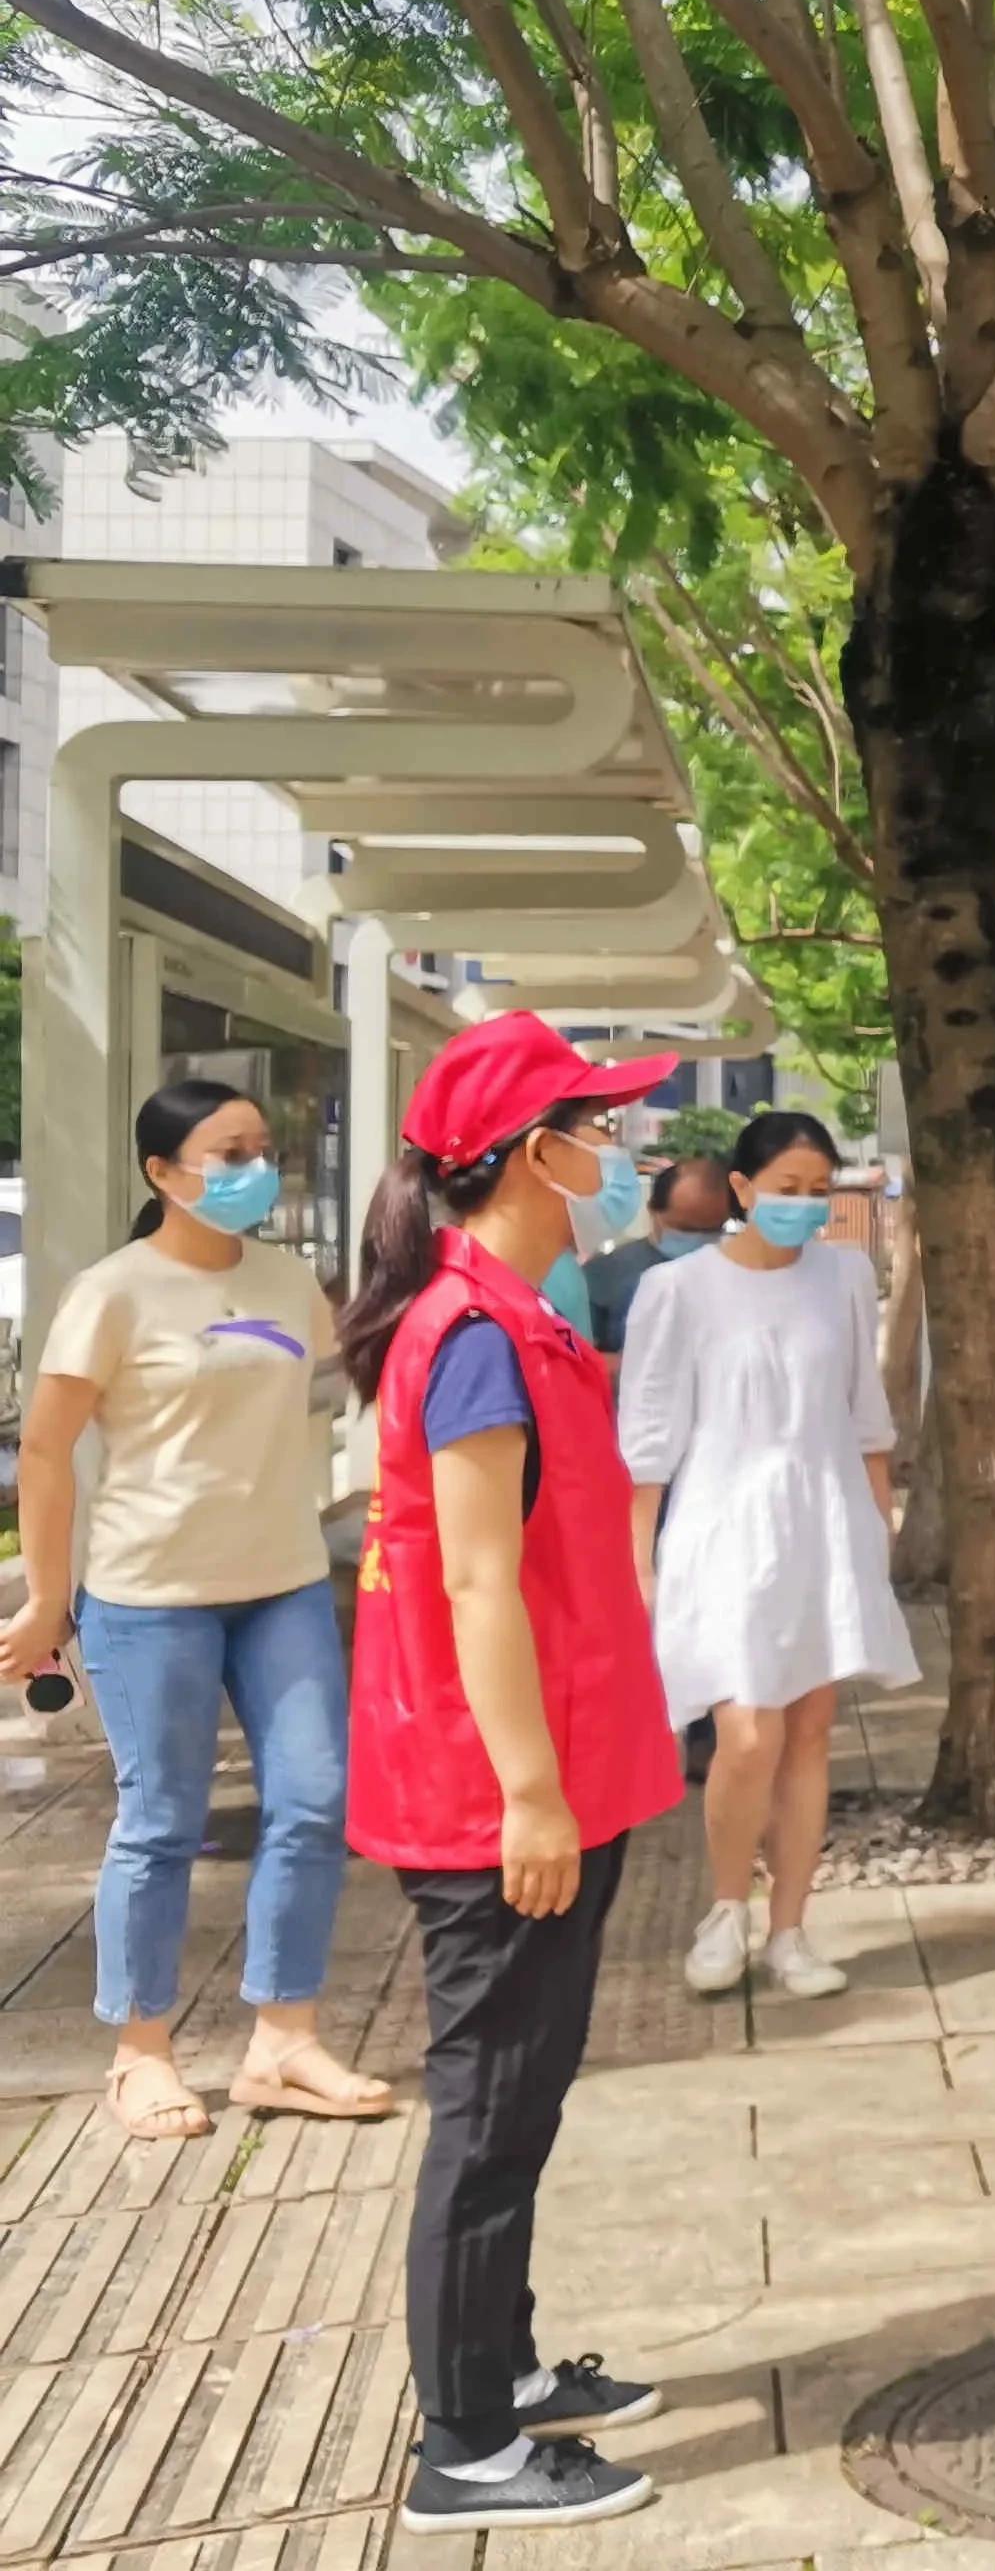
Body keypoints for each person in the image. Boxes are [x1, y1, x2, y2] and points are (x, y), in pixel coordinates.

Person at [340, 1011, 685, 2534]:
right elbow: (474, 1584)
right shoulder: (474, 1335)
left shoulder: (510, 1318)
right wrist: (530, 1798)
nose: (619, 1148)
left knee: (524, 2098)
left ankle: (509, 2367)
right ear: (537, 1155)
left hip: (550, 1764)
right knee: (487, 2114)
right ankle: (467, 2451)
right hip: (498, 1793)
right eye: (599, 1126)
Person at [0, 1081, 386, 2140]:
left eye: (262, 1147)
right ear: (163, 1172)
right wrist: (46, 1600)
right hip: (149, 1596)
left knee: (314, 1803)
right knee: (161, 1824)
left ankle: (283, 2043)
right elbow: (46, 1451)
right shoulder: (113, 1293)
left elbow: (332, 1398)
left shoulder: (286, 1280)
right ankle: (140, 2054)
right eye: (229, 1153)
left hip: (283, 1585)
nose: (256, 1168)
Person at [621, 1112, 909, 2000]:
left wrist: (880, 1527)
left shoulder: (844, 1276)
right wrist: (641, 1562)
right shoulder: (678, 1290)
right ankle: (724, 1910)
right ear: (742, 1189)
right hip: (724, 1527)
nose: (805, 1205)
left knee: (811, 1732)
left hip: (826, 1522)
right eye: (787, 1188)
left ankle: (790, 1927)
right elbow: (650, 1437)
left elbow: (866, 1413)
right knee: (747, 1732)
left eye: (820, 1190)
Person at [586, 1156, 734, 1381]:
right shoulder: (606, 1273)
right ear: (653, 1210)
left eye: (711, 1230)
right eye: (686, 1229)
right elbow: (572, 1360)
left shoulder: (747, 1274)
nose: (699, 1239)